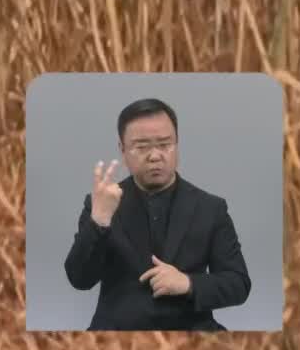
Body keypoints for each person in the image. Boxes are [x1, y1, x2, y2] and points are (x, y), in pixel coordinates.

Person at [62, 97, 252, 330]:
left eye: (164, 144)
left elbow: (239, 284)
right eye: (141, 147)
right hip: (118, 333)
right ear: (122, 150)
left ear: (177, 144)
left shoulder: (210, 208)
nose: (154, 156)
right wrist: (99, 220)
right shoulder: (101, 204)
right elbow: (79, 279)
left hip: (191, 331)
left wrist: (189, 283)